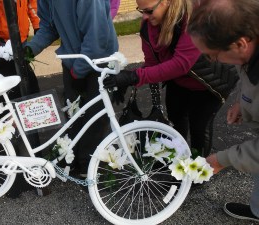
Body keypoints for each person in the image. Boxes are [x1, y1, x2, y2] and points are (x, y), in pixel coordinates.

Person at [103, 0, 223, 157]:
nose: (145, 17)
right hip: (179, 80)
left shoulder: (195, 19)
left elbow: (181, 64)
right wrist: (128, 80)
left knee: (199, 127)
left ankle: (198, 170)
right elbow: (152, 63)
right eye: (141, 11)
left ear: (167, 2)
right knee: (176, 121)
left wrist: (134, 76)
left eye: (149, 11)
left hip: (208, 82)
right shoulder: (148, 25)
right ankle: (177, 161)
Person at [25, 0, 118, 176]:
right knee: (74, 115)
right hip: (73, 61)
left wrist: (78, 72)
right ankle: (75, 161)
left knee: (95, 118)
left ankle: (90, 169)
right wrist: (29, 50)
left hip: (99, 61)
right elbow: (49, 27)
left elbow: (96, 37)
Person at [187, 0, 259, 222]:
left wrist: (221, 159)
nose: (211, 61)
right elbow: (246, 74)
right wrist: (242, 100)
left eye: (212, 55)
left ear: (240, 44)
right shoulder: (249, 46)